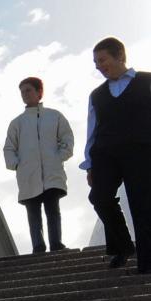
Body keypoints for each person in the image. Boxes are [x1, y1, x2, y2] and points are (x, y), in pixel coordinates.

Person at [81, 36, 151, 272]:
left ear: (120, 56)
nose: (99, 66)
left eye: (102, 60)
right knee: (99, 197)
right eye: (96, 63)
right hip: (105, 153)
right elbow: (92, 129)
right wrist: (89, 164)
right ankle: (123, 246)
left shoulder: (147, 81)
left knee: (142, 203)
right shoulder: (96, 95)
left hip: (141, 150)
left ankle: (147, 262)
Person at [4, 76, 74, 254]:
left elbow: (67, 138)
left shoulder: (54, 116)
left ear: (39, 92)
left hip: (51, 172)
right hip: (28, 174)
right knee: (33, 213)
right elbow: (9, 148)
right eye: (22, 91)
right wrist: (16, 164)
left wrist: (59, 157)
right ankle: (38, 246)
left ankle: (56, 243)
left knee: (53, 210)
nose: (25, 94)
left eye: (28, 90)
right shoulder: (17, 123)